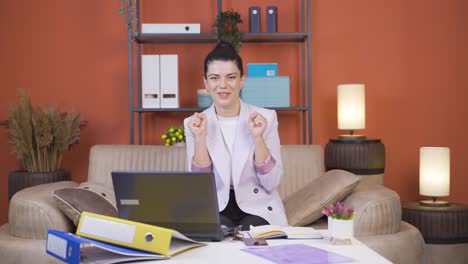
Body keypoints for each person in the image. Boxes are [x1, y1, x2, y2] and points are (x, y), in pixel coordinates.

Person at [184, 42, 288, 230]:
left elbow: (272, 182)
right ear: (206, 83)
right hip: (216, 204)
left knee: (256, 235)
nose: (223, 85)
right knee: (215, 238)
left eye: (231, 77)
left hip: (257, 205)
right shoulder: (193, 124)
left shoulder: (267, 118)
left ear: (241, 81)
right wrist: (200, 137)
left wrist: (258, 138)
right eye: (215, 78)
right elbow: (199, 189)